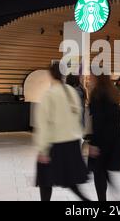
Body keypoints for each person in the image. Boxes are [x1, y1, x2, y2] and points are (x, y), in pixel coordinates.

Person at [34, 62, 89, 201]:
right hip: (72, 144)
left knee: (45, 181)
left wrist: (43, 149)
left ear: (51, 74)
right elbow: (78, 117)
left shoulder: (50, 94)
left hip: (55, 145)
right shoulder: (72, 92)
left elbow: (43, 124)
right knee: (71, 182)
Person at [89, 74, 120, 201]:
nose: (90, 79)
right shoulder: (113, 93)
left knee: (99, 172)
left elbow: (97, 121)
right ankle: (112, 192)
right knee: (103, 169)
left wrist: (93, 143)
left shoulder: (97, 94)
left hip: (101, 140)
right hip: (112, 139)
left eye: (92, 76)